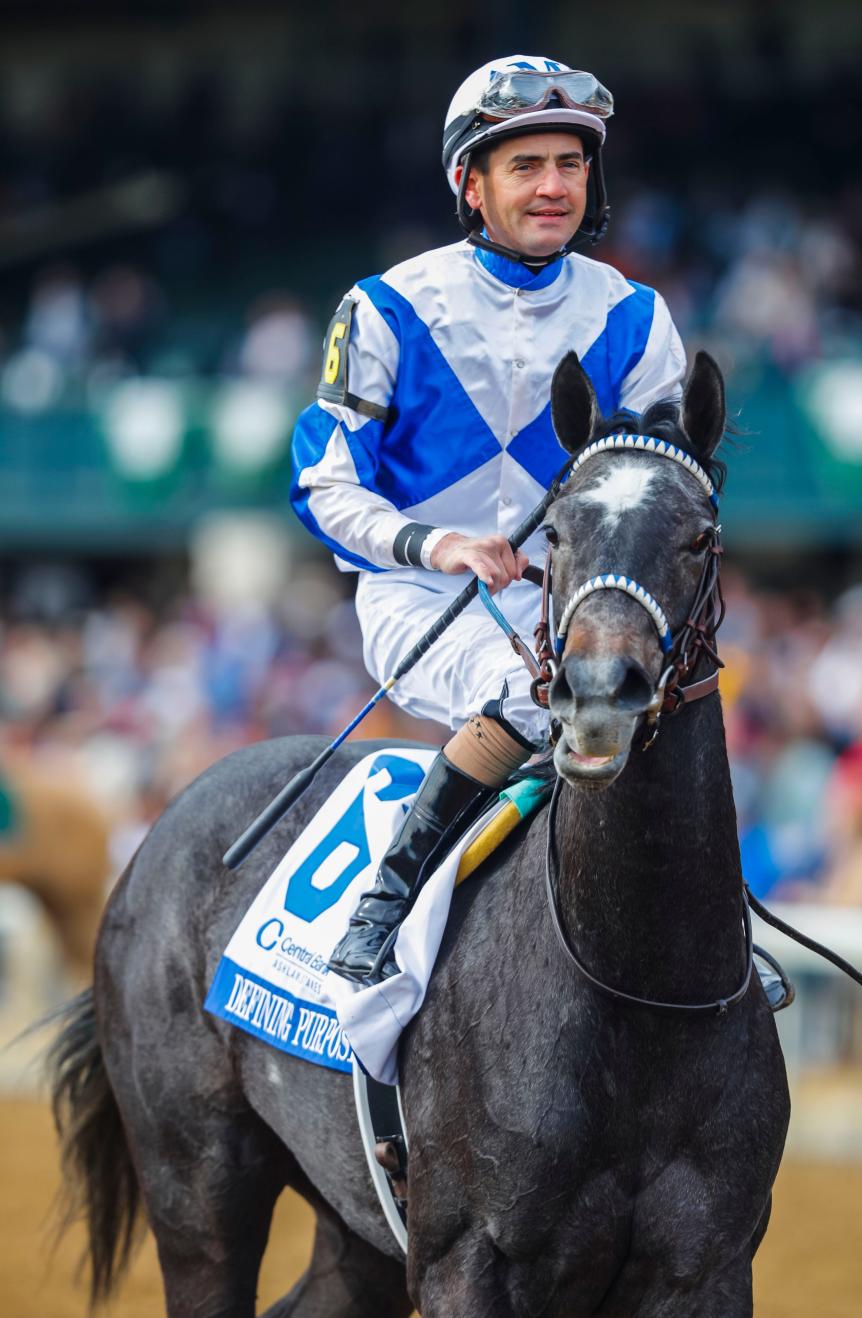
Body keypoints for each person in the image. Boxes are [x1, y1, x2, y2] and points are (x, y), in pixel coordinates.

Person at [290, 56, 687, 984]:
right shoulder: (386, 305)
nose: (554, 186)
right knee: (535, 696)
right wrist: (439, 544)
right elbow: (322, 484)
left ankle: (710, 938)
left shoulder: (634, 315)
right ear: (471, 184)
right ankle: (387, 901)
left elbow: (664, 477)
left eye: (571, 163)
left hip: (578, 602)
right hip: (426, 599)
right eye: (525, 165)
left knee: (678, 710)